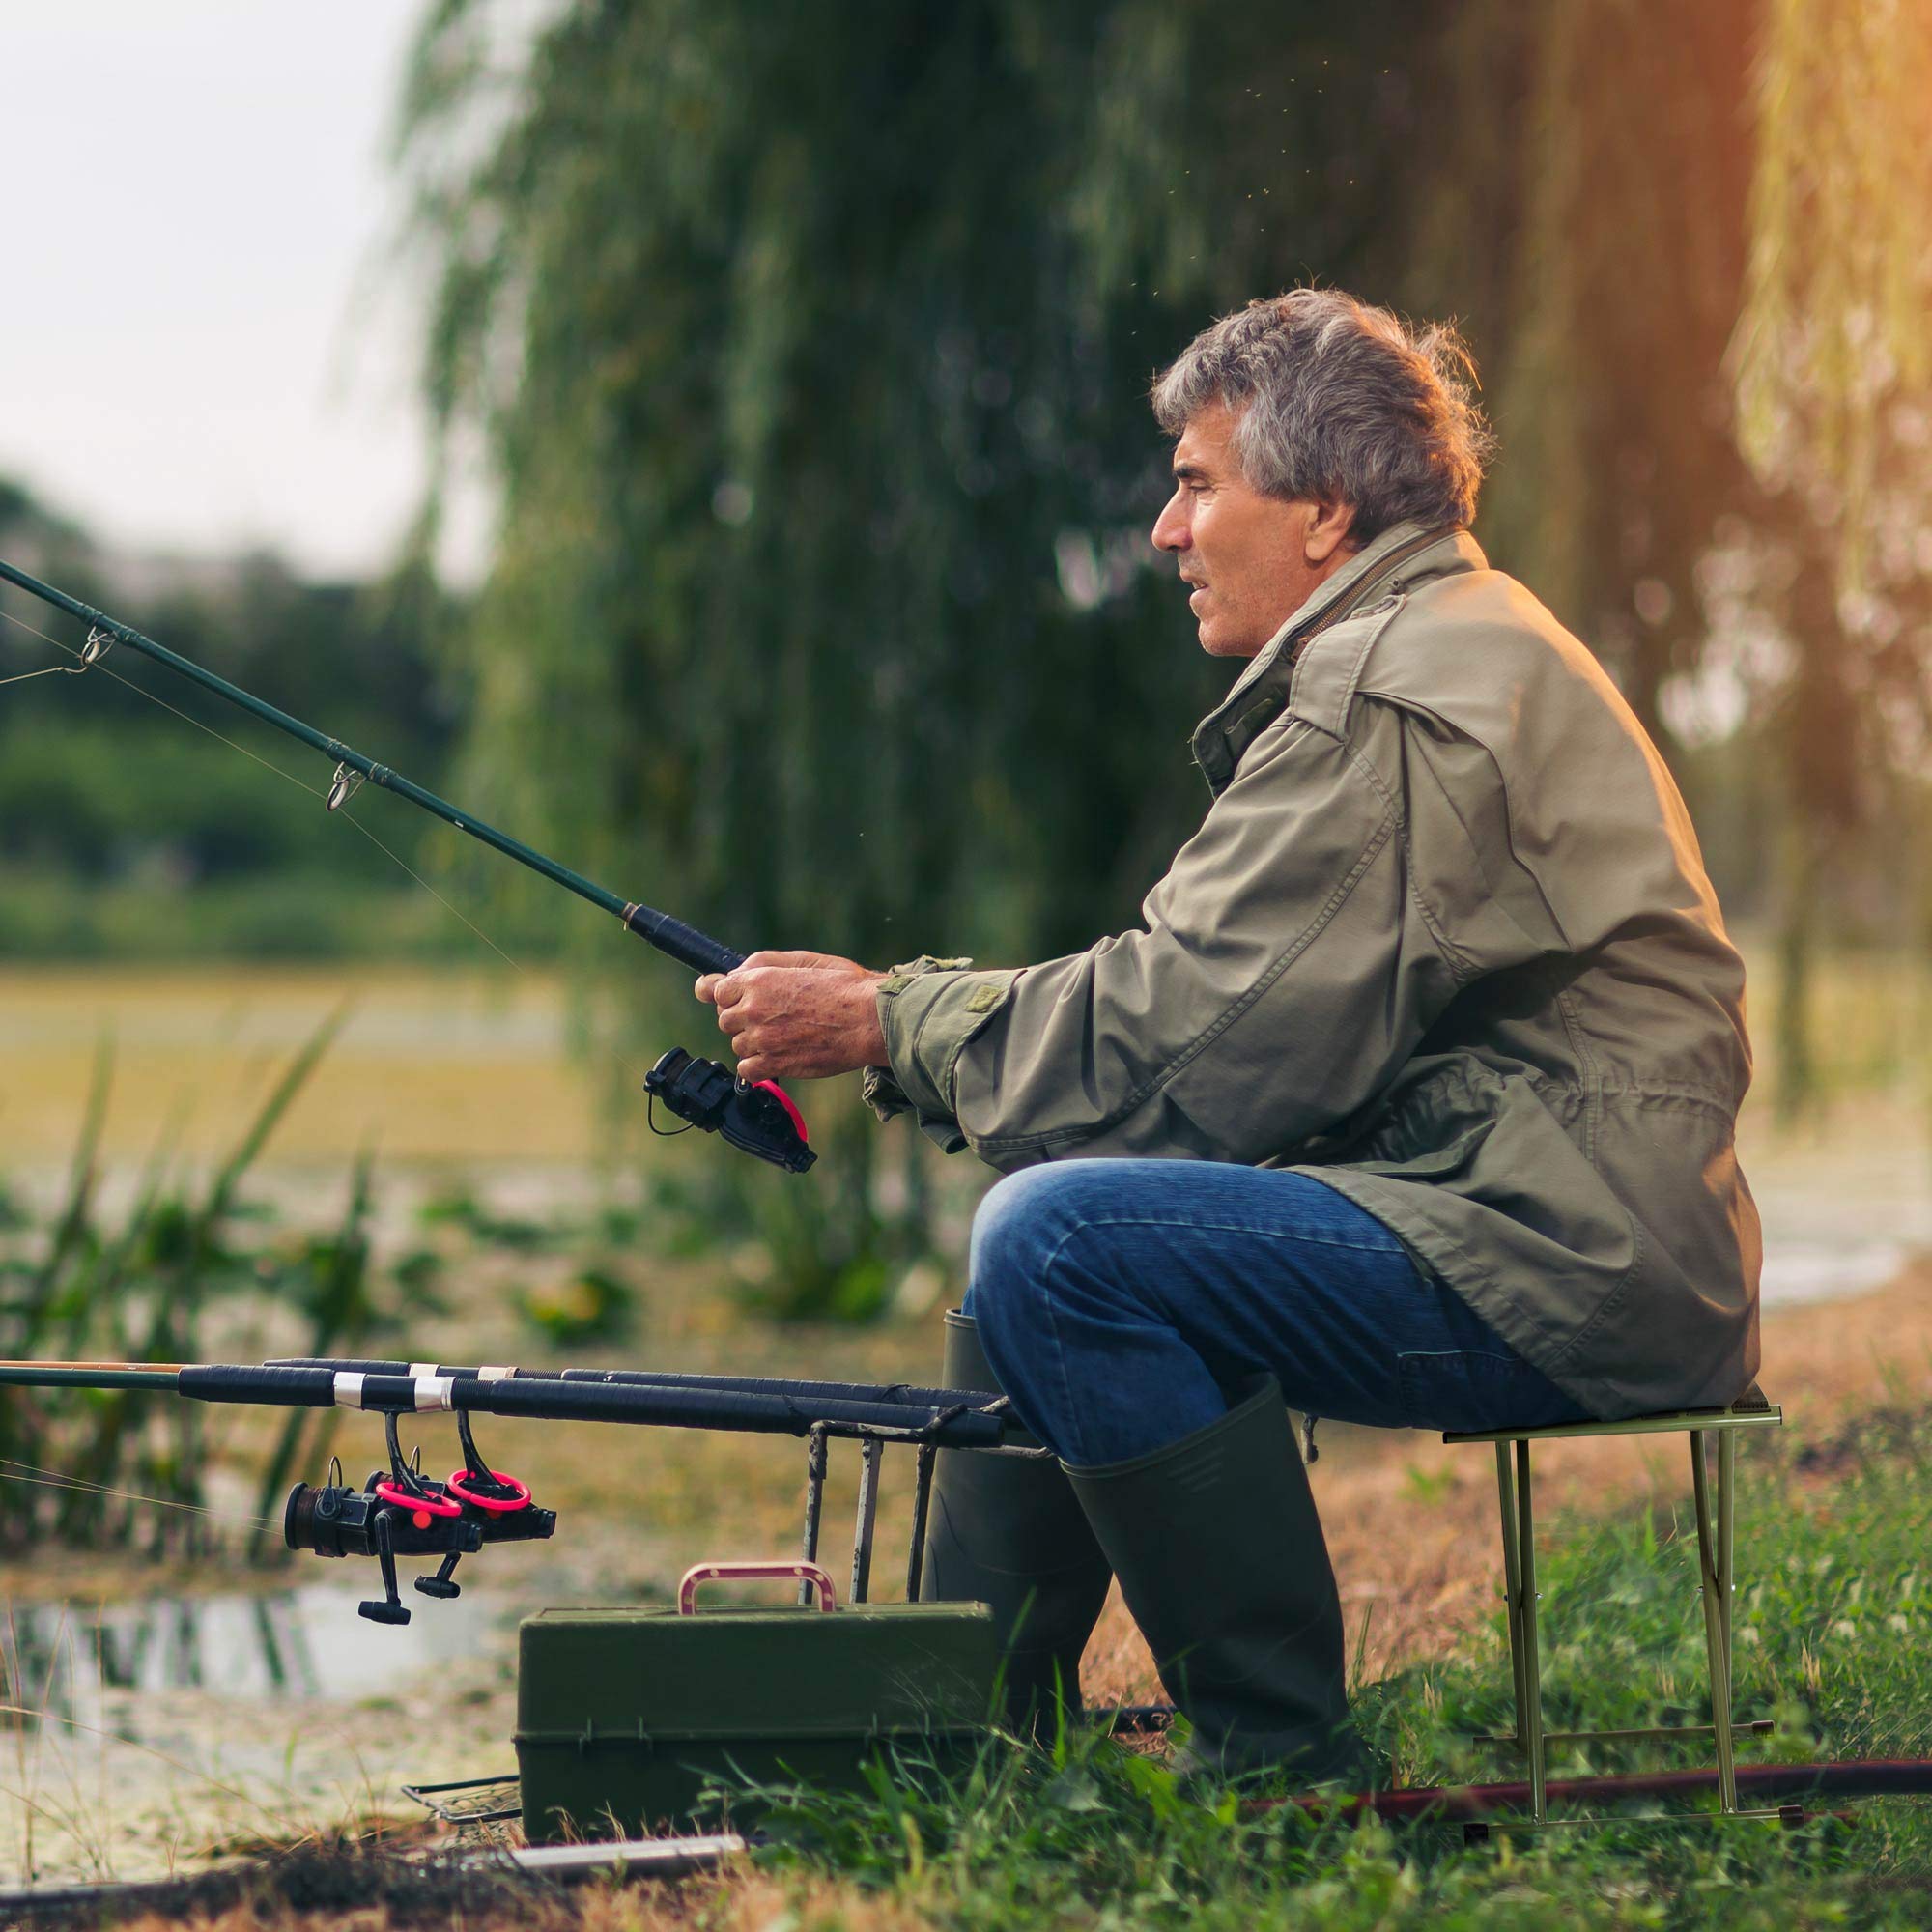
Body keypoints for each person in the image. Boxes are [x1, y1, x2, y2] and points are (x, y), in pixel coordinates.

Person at [694, 289, 1761, 1785]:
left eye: (1198, 484)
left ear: (1324, 513)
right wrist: (926, 1038)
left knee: (1061, 1241)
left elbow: (1186, 1042)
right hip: (1575, 1232)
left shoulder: (1386, 695)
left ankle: (1274, 1760)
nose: (1163, 531)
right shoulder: (1447, 637)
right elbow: (1214, 1052)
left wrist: (885, 1017)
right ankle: (960, 1740)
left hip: (1560, 1265)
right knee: (1047, 1236)